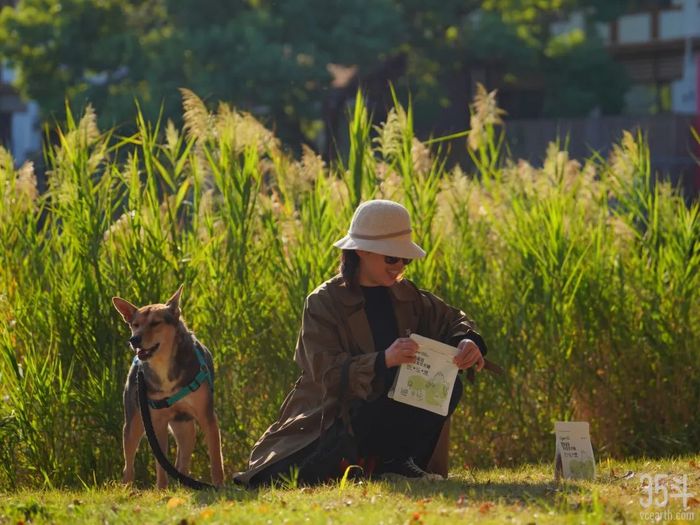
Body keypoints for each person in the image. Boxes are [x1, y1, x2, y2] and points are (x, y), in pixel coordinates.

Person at [234, 199, 489, 487]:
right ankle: (361, 464)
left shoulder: (408, 295)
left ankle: (395, 462)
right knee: (280, 476)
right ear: (362, 251)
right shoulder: (323, 302)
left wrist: (468, 340)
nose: (400, 267)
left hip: (393, 417)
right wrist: (383, 360)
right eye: (392, 258)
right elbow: (325, 371)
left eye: (406, 259)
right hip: (335, 417)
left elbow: (453, 319)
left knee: (450, 383)